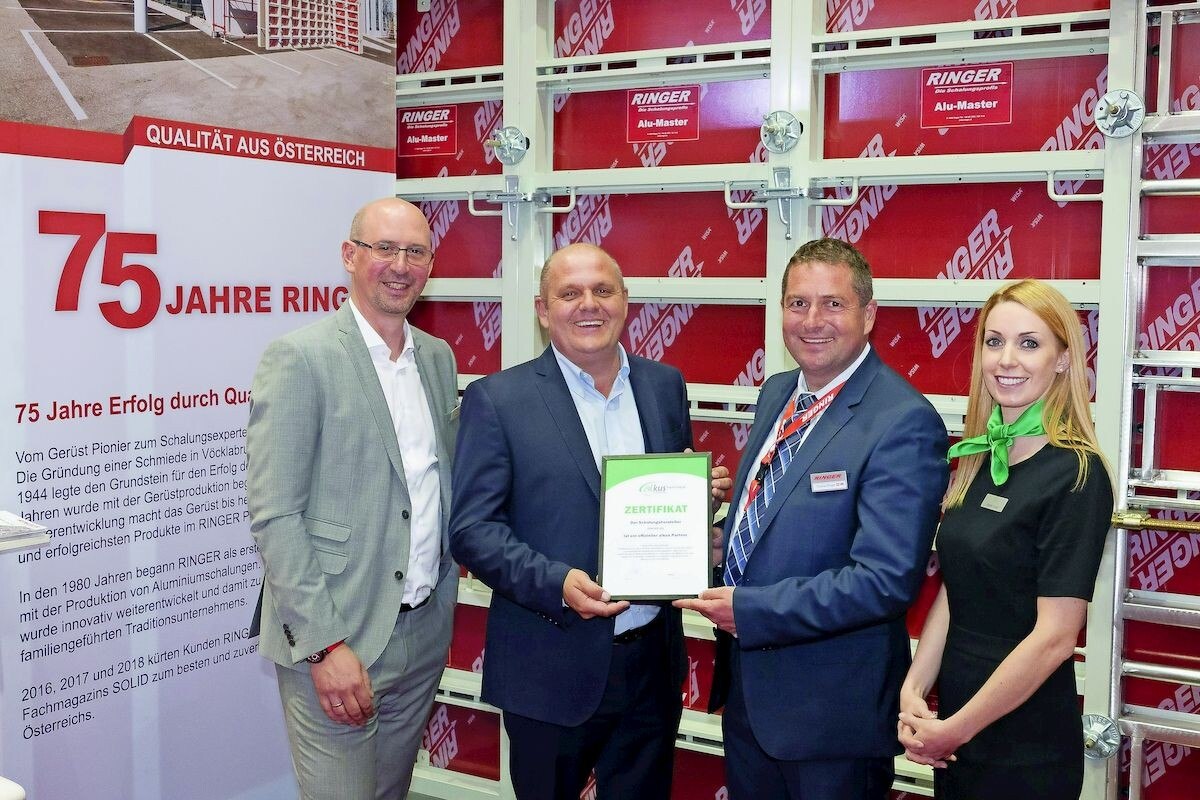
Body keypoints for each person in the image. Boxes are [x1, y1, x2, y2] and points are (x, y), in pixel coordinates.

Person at [448, 242, 731, 800]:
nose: (588, 305)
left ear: (626, 302)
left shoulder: (663, 384)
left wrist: (703, 501)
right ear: (542, 309)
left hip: (651, 664)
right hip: (549, 665)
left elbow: (658, 509)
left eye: (603, 290)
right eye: (569, 293)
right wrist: (556, 582)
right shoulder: (497, 400)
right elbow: (473, 530)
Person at [676, 238, 949, 800]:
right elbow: (773, 522)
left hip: (832, 717)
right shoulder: (779, 392)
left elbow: (885, 581)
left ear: (869, 314)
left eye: (833, 304)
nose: (812, 321)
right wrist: (712, 545)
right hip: (753, 700)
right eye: (798, 304)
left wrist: (751, 609)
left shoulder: (903, 422)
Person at [246, 197, 459, 799]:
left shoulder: (437, 359)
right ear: (349, 255)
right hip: (339, 640)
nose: (400, 265)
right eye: (383, 248)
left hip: (421, 632)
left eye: (415, 251)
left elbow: (435, 488)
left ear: (430, 264)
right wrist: (324, 647)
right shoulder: (300, 358)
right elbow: (275, 516)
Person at [898, 279, 1114, 799]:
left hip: (1024, 748)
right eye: (994, 342)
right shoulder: (979, 460)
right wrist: (913, 686)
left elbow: (1055, 637)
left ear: (1063, 360)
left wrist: (956, 727)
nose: (1006, 360)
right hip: (959, 736)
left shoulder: (1077, 474)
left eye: (1029, 343)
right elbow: (958, 587)